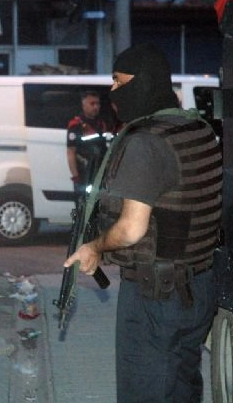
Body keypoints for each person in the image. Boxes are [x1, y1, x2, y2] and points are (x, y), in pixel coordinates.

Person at [64, 43, 222, 402]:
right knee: (182, 387)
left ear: (144, 82)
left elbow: (131, 230)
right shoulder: (198, 128)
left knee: (146, 391)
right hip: (199, 287)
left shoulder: (146, 142)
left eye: (119, 82)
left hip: (156, 297)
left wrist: (95, 247)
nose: (112, 92)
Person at [66, 90, 109, 196]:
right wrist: (76, 176)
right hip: (84, 174)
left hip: (98, 173)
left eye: (97, 103)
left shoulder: (101, 124)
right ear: (84, 105)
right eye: (92, 104)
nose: (96, 107)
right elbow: (71, 152)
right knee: (84, 203)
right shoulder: (76, 125)